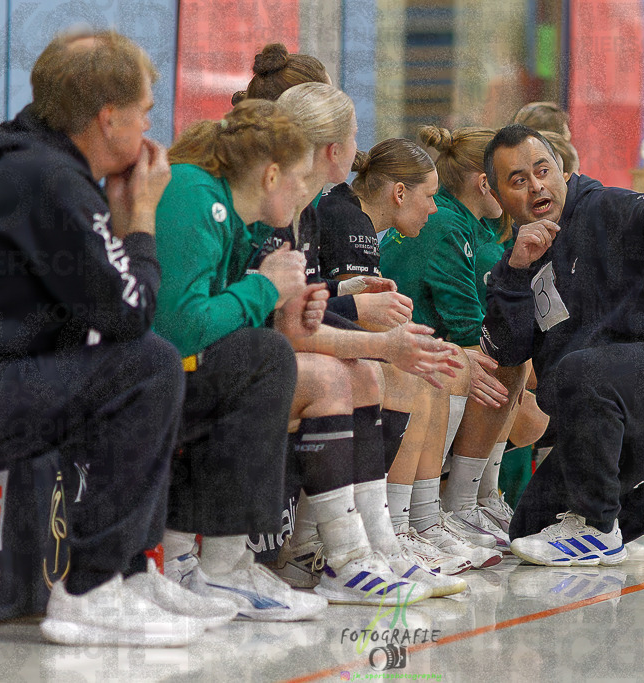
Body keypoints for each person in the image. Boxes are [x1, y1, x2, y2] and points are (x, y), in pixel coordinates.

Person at [0, 29, 220, 647]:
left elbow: (95, 319)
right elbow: (131, 314)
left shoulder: (38, 172)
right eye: (146, 111)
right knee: (150, 365)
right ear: (108, 118)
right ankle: (92, 590)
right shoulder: (50, 182)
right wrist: (140, 221)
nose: (152, 129)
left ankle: (131, 574)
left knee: (131, 363)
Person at [154, 99, 453, 609]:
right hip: (137, 369)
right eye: (299, 179)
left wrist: (312, 300)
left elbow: (260, 318)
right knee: (287, 364)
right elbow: (184, 327)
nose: (304, 195)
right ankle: (221, 559)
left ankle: (353, 549)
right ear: (273, 174)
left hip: (174, 361)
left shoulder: (245, 208)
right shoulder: (197, 194)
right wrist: (268, 291)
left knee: (298, 361)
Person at [481, 123, 644, 566]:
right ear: (496, 193)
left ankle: (596, 529)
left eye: (542, 170)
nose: (536, 186)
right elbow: (506, 352)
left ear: (562, 170)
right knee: (528, 530)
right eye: (518, 180)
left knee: (581, 371)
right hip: (609, 407)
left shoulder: (600, 207)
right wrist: (517, 271)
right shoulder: (518, 254)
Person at [316, 139, 505, 569]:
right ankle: (400, 528)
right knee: (423, 372)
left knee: (441, 366)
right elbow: (359, 321)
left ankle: (421, 521)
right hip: (323, 352)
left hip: (333, 342)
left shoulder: (356, 217)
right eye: (429, 197)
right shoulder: (349, 218)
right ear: (400, 193)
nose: (434, 208)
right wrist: (430, 348)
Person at [379, 126, 546, 555]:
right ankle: (448, 507)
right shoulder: (447, 223)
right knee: (517, 383)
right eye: (516, 179)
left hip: (422, 350)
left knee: (522, 384)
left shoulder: (472, 226)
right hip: (406, 356)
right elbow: (468, 325)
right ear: (484, 180)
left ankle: (474, 501)